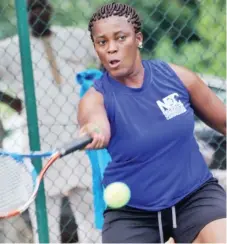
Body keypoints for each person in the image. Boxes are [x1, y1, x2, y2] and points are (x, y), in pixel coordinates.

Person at [77, 2, 226, 243]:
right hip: (132, 212)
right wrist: (95, 130)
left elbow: (224, 123)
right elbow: (94, 122)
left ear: (138, 38)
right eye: (102, 42)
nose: (111, 48)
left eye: (120, 38)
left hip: (195, 196)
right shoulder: (95, 98)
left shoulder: (178, 77)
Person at [0, 0, 101, 242]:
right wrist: (11, 101)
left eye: (42, 6)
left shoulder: (75, 37)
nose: (37, 12)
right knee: (44, 216)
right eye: (32, 7)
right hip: (39, 137)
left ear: (50, 9)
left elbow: (106, 58)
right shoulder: (11, 48)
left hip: (78, 135)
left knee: (89, 213)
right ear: (23, 14)